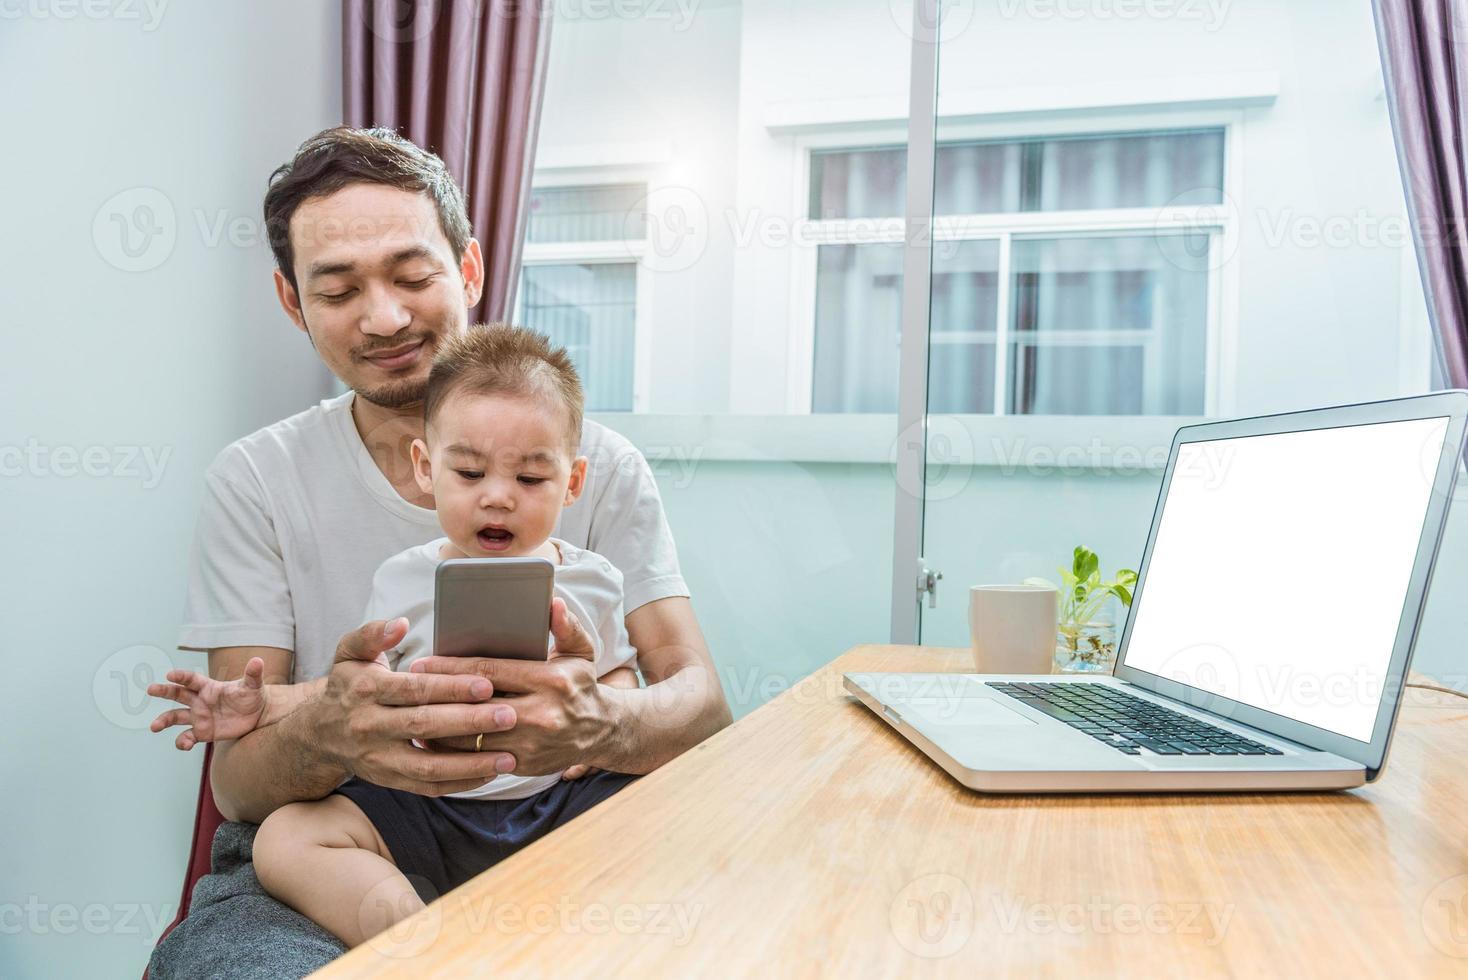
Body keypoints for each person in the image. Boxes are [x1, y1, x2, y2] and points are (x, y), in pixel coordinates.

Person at [150, 127, 730, 976]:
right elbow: (237, 788)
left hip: (564, 823)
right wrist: (326, 726)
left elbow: (703, 709)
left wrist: (605, 722)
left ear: (468, 269)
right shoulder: (257, 479)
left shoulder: (600, 469)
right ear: (291, 301)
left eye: (413, 277)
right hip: (364, 837)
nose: (385, 317)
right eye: (339, 289)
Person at [151, 325, 646, 947]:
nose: (497, 498)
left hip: (554, 806)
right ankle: (425, 943)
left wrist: (599, 726)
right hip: (424, 803)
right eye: (468, 472)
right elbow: (361, 691)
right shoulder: (401, 578)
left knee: (663, 803)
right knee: (286, 840)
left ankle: (560, 929)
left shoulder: (594, 580)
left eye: (530, 480)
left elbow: (621, 678)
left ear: (572, 482)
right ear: (425, 468)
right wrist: (268, 703)